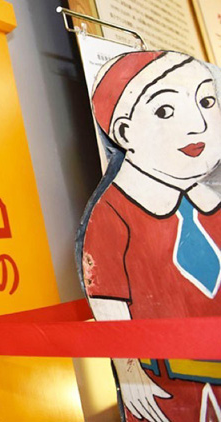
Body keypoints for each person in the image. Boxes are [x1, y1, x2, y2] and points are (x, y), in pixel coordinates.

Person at [83, 50, 221, 422]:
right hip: (164, 385)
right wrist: (130, 372)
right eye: (164, 110)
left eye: (206, 102)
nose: (198, 125)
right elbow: (108, 300)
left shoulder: (213, 203)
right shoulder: (114, 213)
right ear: (125, 132)